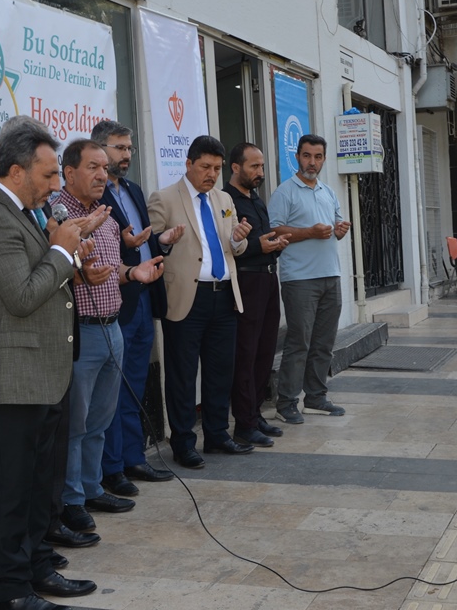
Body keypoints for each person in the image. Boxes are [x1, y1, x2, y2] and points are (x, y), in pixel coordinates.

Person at [0, 115, 107, 610]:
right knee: (12, 489)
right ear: (17, 171)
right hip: (9, 379)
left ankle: (39, 565)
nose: (55, 186)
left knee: (41, 484)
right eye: (48, 176)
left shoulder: (24, 210)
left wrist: (67, 242)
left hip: (43, 373)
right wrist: (62, 248)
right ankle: (11, 589)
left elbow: (43, 276)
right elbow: (21, 295)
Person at [57, 139, 164, 521]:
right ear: (69, 172)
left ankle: (92, 487)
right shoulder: (58, 216)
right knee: (75, 424)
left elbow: (112, 270)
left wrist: (133, 272)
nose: (103, 175)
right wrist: (78, 269)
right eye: (93, 168)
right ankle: (71, 501)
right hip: (81, 334)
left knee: (101, 420)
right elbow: (52, 269)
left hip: (112, 328)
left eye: (105, 168)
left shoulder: (106, 214)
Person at [147, 135, 253, 468]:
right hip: (186, 299)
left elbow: (235, 246)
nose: (211, 174)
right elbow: (148, 247)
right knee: (182, 374)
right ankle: (182, 443)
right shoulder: (164, 199)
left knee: (221, 371)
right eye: (205, 167)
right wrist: (163, 243)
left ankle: (218, 435)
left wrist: (238, 241)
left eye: (217, 168)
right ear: (189, 164)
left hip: (223, 296)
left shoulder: (224, 198)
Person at [93, 121, 176, 496]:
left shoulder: (134, 189)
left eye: (129, 148)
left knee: (135, 386)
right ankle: (111, 469)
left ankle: (132, 457)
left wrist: (161, 241)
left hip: (142, 298)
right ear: (98, 150)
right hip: (114, 301)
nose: (126, 155)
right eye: (119, 148)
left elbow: (139, 242)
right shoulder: (93, 197)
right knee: (112, 389)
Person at [269, 134, 350, 425]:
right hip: (300, 279)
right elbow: (274, 233)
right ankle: (286, 402)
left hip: (331, 274)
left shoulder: (328, 191)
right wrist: (309, 233)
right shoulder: (284, 192)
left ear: (324, 159)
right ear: (297, 157)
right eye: (306, 156)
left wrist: (341, 228)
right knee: (299, 342)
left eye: (317, 157)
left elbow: (337, 225)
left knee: (324, 342)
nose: (311, 162)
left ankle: (315, 398)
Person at [227, 143, 289, 446]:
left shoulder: (256, 199)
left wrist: (275, 244)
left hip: (267, 280)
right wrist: (258, 247)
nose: (260, 173)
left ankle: (255, 413)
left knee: (265, 351)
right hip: (246, 283)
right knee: (246, 353)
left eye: (262, 167)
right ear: (236, 167)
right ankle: (243, 423)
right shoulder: (227, 201)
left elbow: (263, 240)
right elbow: (230, 247)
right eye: (254, 167)